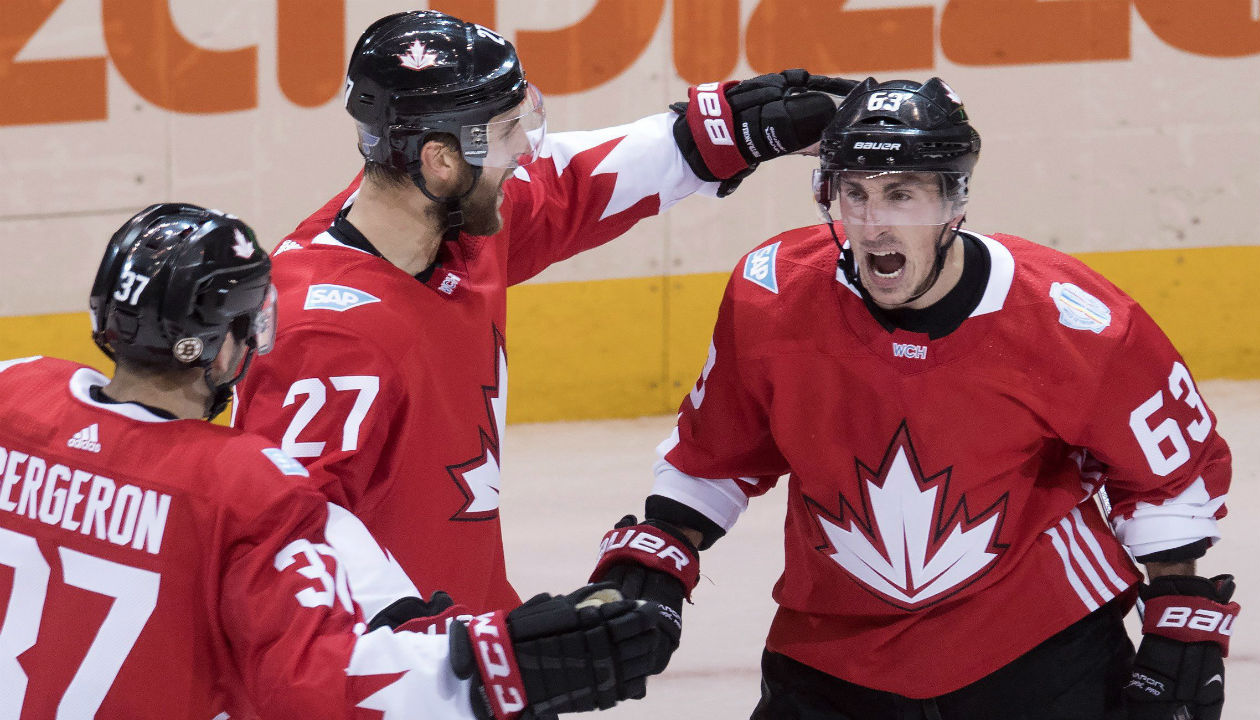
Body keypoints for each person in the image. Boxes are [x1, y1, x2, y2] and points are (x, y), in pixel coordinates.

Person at [587, 78, 1241, 719]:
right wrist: (663, 548)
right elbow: (717, 452)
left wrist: (1178, 608)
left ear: (955, 202)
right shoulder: (773, 295)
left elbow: (1170, 474)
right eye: (855, 194)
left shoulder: (1072, 318)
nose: (873, 225)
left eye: (902, 195)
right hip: (830, 658)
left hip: (1036, 649)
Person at [232, 9, 852, 617]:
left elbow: (574, 182)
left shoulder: (451, 225)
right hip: (396, 680)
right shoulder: (321, 331)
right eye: (507, 131)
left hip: (468, 637)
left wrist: (719, 133)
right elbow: (282, 558)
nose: (526, 150)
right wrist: (463, 665)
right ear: (441, 160)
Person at [0, 203, 662, 719]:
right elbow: (319, 688)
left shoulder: (15, 395)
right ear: (221, 347)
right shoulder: (240, 483)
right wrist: (494, 666)